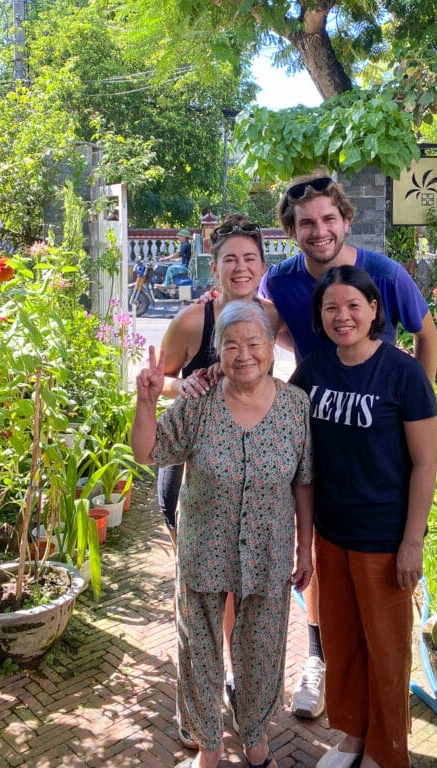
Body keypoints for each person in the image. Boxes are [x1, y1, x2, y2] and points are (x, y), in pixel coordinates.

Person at [258, 171, 437, 720]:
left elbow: (426, 334)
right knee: (323, 559)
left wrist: (416, 409)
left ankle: (380, 704)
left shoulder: (382, 273)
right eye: (306, 223)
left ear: (343, 219)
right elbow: (258, 330)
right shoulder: (281, 279)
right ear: (292, 230)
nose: (319, 231)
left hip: (378, 432)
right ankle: (319, 658)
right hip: (323, 430)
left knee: (377, 574)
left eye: (328, 219)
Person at [131, 302, 313, 768]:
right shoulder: (197, 403)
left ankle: (256, 740)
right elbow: (148, 452)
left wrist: (304, 548)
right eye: (232, 345)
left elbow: (304, 481)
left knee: (262, 652)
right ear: (218, 353)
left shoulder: (295, 406)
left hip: (269, 553)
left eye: (254, 343)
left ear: (271, 349)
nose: (244, 354)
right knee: (200, 653)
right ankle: (209, 746)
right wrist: (147, 401)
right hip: (203, 550)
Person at [290, 266, 437, 768]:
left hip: (384, 538)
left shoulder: (404, 374)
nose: (343, 316)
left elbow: (425, 462)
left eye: (354, 305)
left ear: (375, 309)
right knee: (343, 645)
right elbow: (279, 423)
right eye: (331, 308)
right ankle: (353, 736)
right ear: (320, 316)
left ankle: (386, 749)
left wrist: (412, 542)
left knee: (386, 652)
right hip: (332, 534)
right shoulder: (313, 371)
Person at [156, 215, 285, 742]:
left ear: (262, 265)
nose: (240, 267)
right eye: (229, 258)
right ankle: (196, 702)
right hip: (194, 475)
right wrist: (179, 389)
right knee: (196, 595)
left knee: (237, 591)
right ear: (216, 266)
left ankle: (231, 681)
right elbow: (156, 378)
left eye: (249, 258)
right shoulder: (194, 322)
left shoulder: (275, 318)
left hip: (251, 481)